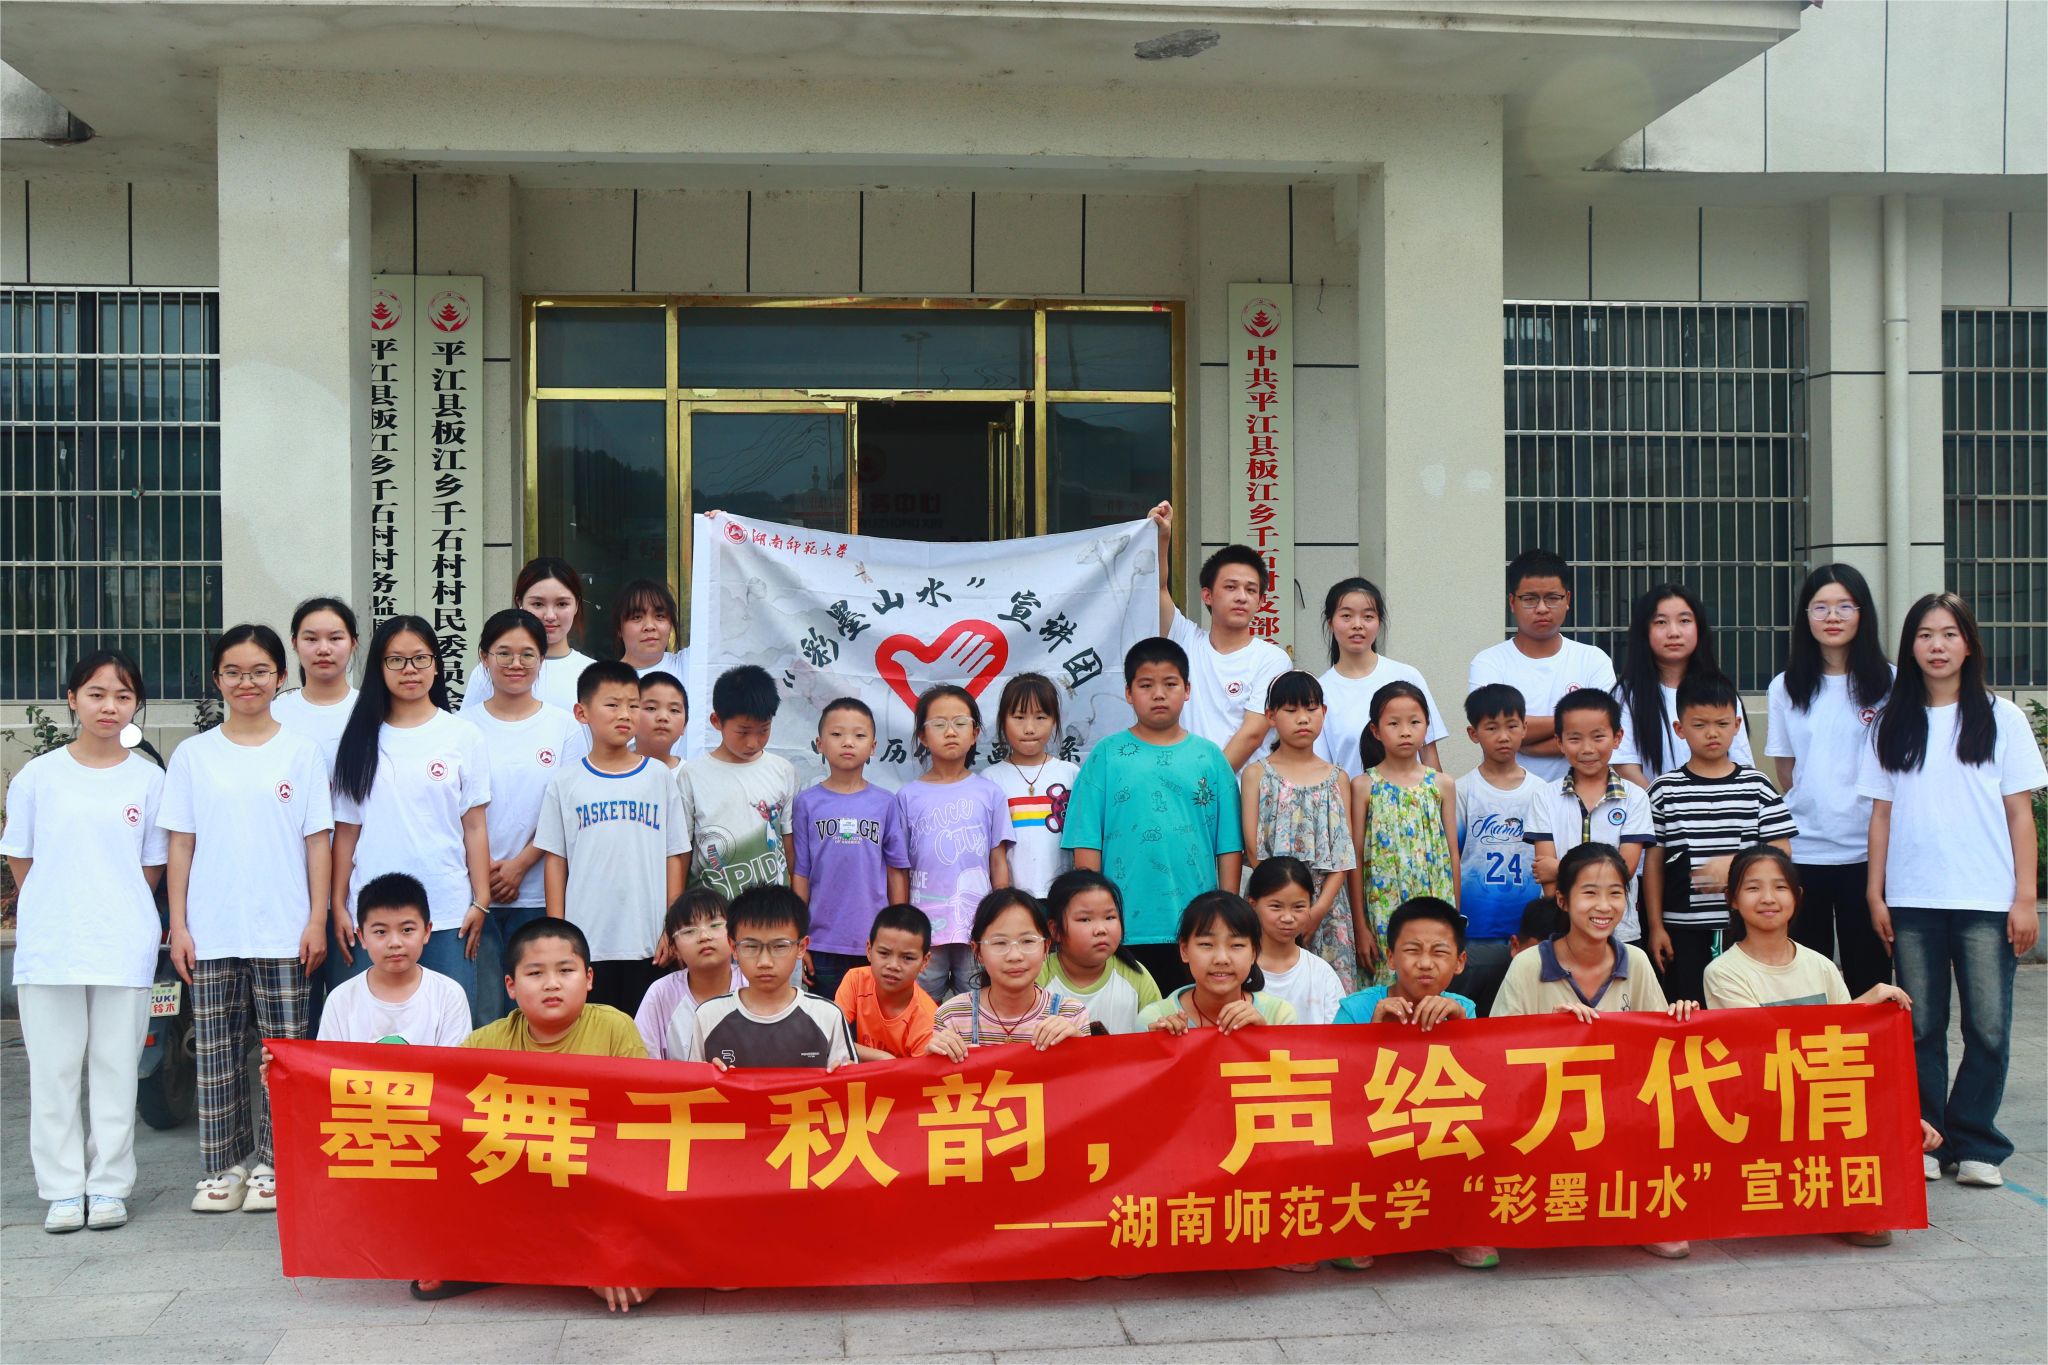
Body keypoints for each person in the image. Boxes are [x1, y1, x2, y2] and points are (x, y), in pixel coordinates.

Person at [1861, 592, 2045, 1189]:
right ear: (1910, 646)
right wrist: (1876, 893)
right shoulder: (1891, 721)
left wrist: (2024, 898)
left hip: (1986, 899)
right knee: (1918, 1026)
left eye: (1948, 634)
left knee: (1988, 1027)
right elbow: (1882, 815)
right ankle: (1924, 1134)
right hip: (1913, 898)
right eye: (1924, 635)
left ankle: (1977, 1143)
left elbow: (2020, 814)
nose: (1936, 646)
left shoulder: (2001, 717)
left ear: (1969, 644)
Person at [162, 624, 333, 1215]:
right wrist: (179, 925)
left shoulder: (301, 752)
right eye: (233, 672)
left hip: (285, 926)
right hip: (212, 927)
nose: (247, 682)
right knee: (216, 1052)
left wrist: (315, 919)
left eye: (260, 671)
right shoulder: (194, 755)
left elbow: (318, 842)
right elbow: (180, 843)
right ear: (217, 680)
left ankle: (277, 1163)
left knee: (282, 1052)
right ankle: (223, 1166)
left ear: (280, 678)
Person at [2, 650, 168, 1234]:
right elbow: (21, 857)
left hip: (122, 941)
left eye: (123, 696)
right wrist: (58, 903)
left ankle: (108, 1185)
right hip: (52, 944)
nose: (109, 706)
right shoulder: (39, 776)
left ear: (135, 704)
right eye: (96, 694)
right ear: (73, 699)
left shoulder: (149, 780)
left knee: (116, 1068)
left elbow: (151, 865)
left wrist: (112, 904)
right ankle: (62, 1190)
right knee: (53, 1072)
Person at [415, 917, 649, 1311]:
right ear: (511, 985)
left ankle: (538, 1260)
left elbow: (640, 1128)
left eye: (566, 971)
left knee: (637, 1288)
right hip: (516, 1196)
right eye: (535, 973)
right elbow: (436, 1106)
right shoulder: (486, 1043)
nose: (552, 984)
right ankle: (523, 1258)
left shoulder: (614, 1027)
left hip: (596, 1194)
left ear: (589, 978)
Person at [1703, 843, 1930, 1246]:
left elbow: (1849, 1047)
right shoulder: (1723, 972)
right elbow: (1765, 1049)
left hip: (1818, 1094)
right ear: (1732, 900)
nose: (1768, 898)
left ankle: (1853, 1204)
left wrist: (1903, 1112)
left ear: (1797, 897)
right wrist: (1863, 1003)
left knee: (1856, 1094)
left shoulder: (1820, 965)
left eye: (1780, 887)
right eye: (1753, 888)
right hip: (1763, 1098)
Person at [1490, 842, 1696, 1261]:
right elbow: (1495, 1055)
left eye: (1615, 893)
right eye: (1589, 893)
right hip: (1544, 1107)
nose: (1604, 906)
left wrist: (1679, 1019)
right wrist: (1551, 1033)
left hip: (1616, 1105)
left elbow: (1658, 1050)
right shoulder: (1528, 965)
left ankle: (1644, 1210)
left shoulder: (1636, 961)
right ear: (1563, 901)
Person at [1062, 638, 1243, 994]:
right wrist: (1093, 916)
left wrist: (1225, 916)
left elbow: (1229, 846)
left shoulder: (1209, 758)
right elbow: (1086, 842)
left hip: (1197, 929)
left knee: (1189, 1018)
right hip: (1121, 929)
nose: (1158, 694)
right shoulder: (1107, 756)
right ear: (1128, 693)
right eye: (1146, 685)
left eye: (1170, 684)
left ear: (1187, 690)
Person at [330, 615, 491, 1015]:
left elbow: (474, 826)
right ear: (379, 668)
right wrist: (338, 904)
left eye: (420, 658)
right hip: (373, 912)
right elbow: (347, 831)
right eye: (396, 660)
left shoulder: (462, 735)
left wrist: (481, 899)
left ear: (436, 665)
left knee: (449, 1028)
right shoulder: (359, 738)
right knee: (372, 1030)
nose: (410, 670)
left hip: (447, 907)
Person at [1330, 896, 1490, 1271]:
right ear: (1390, 958)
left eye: (1439, 952)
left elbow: (1484, 1087)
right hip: (1375, 1127)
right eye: (1412, 950)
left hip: (1437, 1130)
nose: (1425, 963)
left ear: (1459, 962)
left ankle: (1455, 1227)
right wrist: (1374, 1033)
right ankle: (1358, 1223)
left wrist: (1461, 1030)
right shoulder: (1356, 1008)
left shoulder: (1463, 1008)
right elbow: (1337, 1088)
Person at [1766, 563, 1894, 997]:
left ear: (1863, 614)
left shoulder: (1891, 683)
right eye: (1820, 607)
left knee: (1871, 975)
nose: (1832, 617)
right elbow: (1787, 771)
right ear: (1806, 616)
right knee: (1806, 981)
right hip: (1806, 851)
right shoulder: (1785, 687)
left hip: (1869, 853)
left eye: (1844, 606)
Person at [535, 660, 687, 1016]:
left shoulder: (658, 777)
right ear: (582, 712)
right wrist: (560, 935)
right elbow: (555, 861)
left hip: (649, 942)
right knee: (591, 1038)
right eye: (613, 704)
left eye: (634, 705)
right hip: (588, 942)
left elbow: (675, 855)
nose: (625, 714)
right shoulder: (565, 782)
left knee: (645, 1038)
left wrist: (672, 926)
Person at [1642, 673, 1796, 1005]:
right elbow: (1653, 864)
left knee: (1743, 1012)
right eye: (1699, 725)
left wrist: (1736, 865)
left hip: (1746, 928)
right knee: (1688, 1010)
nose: (1712, 733)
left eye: (1722, 723)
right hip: (1683, 929)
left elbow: (1782, 851)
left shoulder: (1757, 786)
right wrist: (1655, 926)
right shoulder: (1664, 790)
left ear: (1737, 725)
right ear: (1679, 728)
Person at [465, 608, 586, 1025]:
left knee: (537, 1013)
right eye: (503, 653)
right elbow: (458, 813)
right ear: (484, 657)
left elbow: (565, 810)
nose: (515, 664)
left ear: (541, 659)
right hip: (474, 895)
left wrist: (519, 865)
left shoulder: (564, 727)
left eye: (527, 654)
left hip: (538, 894)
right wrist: (484, 876)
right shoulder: (462, 727)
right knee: (484, 1013)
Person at [1241, 672, 1360, 992]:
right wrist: (1285, 906)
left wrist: (1315, 911)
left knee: (1327, 997)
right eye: (1291, 710)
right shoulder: (1256, 774)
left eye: (1311, 708)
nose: (1303, 718)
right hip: (1272, 906)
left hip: (1327, 909)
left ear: (1324, 711)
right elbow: (1253, 849)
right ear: (1271, 716)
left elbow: (1343, 855)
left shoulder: (1338, 778)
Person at [1148, 502, 1289, 770]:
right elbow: (1157, 589)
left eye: (1251, 590)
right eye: (1231, 587)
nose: (1241, 597)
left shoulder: (1273, 659)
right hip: (1181, 784)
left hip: (1239, 791)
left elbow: (1252, 734)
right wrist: (1162, 538)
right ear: (1207, 595)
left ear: (1261, 601)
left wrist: (1204, 784)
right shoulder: (1185, 639)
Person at [897, 684, 1015, 1001]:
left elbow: (998, 860)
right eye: (939, 724)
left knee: (979, 1006)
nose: (950, 732)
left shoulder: (989, 793)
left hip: (977, 926)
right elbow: (899, 866)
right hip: (924, 928)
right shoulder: (908, 796)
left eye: (960, 723)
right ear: (922, 736)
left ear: (975, 733)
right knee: (918, 1006)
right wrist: (901, 921)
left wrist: (1001, 916)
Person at [792, 697, 910, 1001]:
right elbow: (801, 872)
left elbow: (897, 870)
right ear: (820, 743)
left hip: (875, 943)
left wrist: (899, 930)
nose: (848, 742)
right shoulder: (806, 802)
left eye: (859, 735)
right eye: (836, 734)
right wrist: (798, 936)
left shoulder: (885, 802)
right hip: (821, 942)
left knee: (872, 1019)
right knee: (828, 1019)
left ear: (873, 747)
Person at [1467, 548, 1616, 783]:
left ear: (1567, 600)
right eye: (1530, 599)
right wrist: (1573, 726)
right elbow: (1491, 728)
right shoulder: (1489, 662)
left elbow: (1603, 731)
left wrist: (1524, 739)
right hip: (1507, 795)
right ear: (1512, 602)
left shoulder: (1593, 660)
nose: (1542, 608)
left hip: (1578, 793)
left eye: (1552, 598)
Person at [669, 886, 855, 1070]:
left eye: (780, 946)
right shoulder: (709, 1016)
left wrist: (842, 1074)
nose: (765, 962)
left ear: (801, 947)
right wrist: (707, 1075)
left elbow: (851, 1083)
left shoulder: (827, 1016)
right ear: (733, 947)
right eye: (751, 947)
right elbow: (693, 1085)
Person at [1524, 689, 1655, 948]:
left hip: (1620, 930)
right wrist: (1558, 872)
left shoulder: (1635, 797)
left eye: (1598, 737)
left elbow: (1624, 869)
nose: (1587, 749)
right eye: (1575, 738)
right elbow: (1547, 878)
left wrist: (1559, 868)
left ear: (1617, 738)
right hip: (1561, 929)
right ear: (1559, 742)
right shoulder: (1545, 797)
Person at [1349, 682, 1458, 986]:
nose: (1405, 732)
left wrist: (1455, 920)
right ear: (1376, 730)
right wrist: (1360, 926)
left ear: (1427, 726)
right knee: (1387, 988)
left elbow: (1452, 854)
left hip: (1435, 902)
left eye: (1414, 722)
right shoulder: (1363, 786)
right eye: (1394, 723)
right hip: (1381, 907)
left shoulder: (1442, 784)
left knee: (1432, 980)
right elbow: (1354, 858)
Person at [1450, 683, 1543, 1014]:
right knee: (1470, 1015)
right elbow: (1453, 857)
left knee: (1521, 1015)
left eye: (1511, 726)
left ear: (1525, 728)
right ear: (1473, 734)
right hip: (1476, 929)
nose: (1503, 736)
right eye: (1491, 728)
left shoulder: (1541, 791)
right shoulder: (1462, 790)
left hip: (1528, 930)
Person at [1612, 583, 1755, 787]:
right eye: (1661, 622)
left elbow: (1741, 763)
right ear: (1644, 631)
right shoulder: (1627, 695)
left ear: (1699, 627)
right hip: (1655, 805)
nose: (1674, 632)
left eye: (1684, 621)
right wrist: (1666, 803)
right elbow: (1626, 768)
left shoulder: (1719, 690)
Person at [676, 664, 797, 901]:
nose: (753, 742)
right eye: (743, 732)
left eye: (763, 730)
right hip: (712, 910)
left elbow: (788, 840)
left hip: (771, 908)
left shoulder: (783, 771)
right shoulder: (692, 775)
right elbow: (681, 849)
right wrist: (676, 906)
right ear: (716, 721)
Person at [315, 872, 472, 1047]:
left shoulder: (449, 995)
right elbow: (328, 1062)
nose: (395, 943)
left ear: (427, 931)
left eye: (407, 930)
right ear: (362, 937)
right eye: (381, 932)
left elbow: (454, 1063)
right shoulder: (341, 1000)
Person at [927, 890, 1089, 1056]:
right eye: (999, 943)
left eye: (1027, 941)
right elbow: (937, 1071)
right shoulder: (952, 1016)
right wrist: (932, 1059)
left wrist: (1078, 1045)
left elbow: (1089, 1071)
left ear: (1046, 947)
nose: (1015, 956)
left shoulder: (1070, 1014)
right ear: (978, 952)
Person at [1314, 577, 1446, 775]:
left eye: (1368, 616)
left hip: (1414, 795)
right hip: (1351, 795)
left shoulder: (1407, 676)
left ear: (1379, 622)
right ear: (1331, 623)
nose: (1357, 625)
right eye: (1347, 616)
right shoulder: (1319, 691)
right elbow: (1323, 769)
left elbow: (1428, 755)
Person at [1139, 891, 1297, 1031]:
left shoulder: (1279, 1015)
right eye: (1206, 944)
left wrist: (1264, 1036)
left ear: (1254, 953)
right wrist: (1159, 1045)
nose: (1222, 959)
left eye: (1237, 945)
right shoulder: (1155, 1018)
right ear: (1184, 950)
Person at [460, 556, 599, 714]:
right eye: (538, 604)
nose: (550, 615)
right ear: (519, 603)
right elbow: (468, 725)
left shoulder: (595, 674)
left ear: (577, 605)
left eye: (562, 604)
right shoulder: (492, 670)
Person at [985, 673, 1078, 898]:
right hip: (1013, 899)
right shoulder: (990, 779)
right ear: (1003, 721)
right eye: (1019, 717)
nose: (1029, 728)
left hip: (1063, 897)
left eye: (1040, 717)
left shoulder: (1071, 774)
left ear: (1054, 720)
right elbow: (993, 850)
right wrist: (1003, 898)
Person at [1038, 869, 1161, 1035]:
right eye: (1085, 919)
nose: (1101, 929)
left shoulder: (1136, 976)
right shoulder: (1038, 976)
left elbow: (1156, 1035)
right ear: (1055, 930)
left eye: (1109, 917)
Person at [270, 595, 360, 778]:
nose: (323, 649)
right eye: (311, 639)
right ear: (295, 643)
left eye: (335, 638)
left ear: (353, 643)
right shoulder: (273, 715)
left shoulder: (373, 709)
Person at [835, 904, 938, 1060]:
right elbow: (829, 1035)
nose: (893, 966)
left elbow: (918, 1073)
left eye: (908, 958)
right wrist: (883, 1058)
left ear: (925, 961)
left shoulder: (927, 1018)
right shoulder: (856, 980)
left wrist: (888, 1064)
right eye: (884, 953)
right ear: (869, 950)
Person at [1249, 857, 1344, 1025]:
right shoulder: (1239, 971)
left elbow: (1338, 1034)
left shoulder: (1321, 973)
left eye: (1298, 907)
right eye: (1276, 906)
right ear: (1253, 904)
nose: (1288, 917)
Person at [634, 671, 690, 771]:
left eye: (674, 710)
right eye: (651, 708)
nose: (663, 717)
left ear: (684, 725)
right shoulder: (611, 771)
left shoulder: (689, 775)